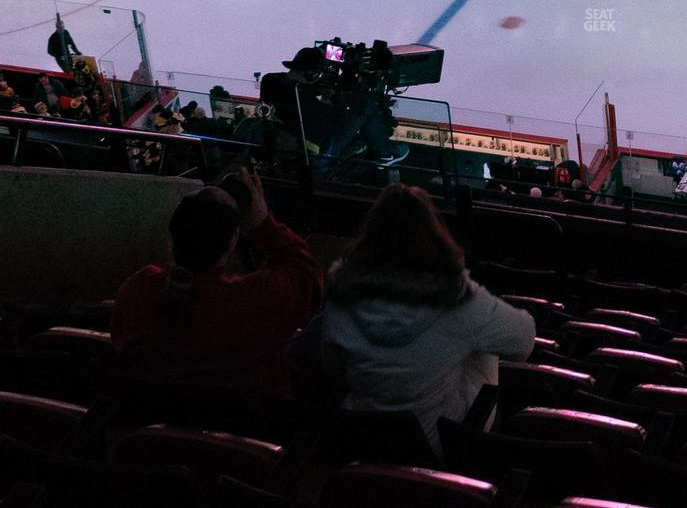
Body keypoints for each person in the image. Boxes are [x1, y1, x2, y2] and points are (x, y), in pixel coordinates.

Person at [319, 185, 536, 450]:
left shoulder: (341, 294)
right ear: (435, 236)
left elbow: (334, 369)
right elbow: (524, 342)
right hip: (440, 445)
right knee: (483, 345)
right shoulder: (458, 300)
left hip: (364, 439)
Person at [111, 167, 324, 396]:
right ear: (233, 241)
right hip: (241, 427)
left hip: (144, 422)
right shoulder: (253, 302)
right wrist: (263, 224)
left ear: (172, 237)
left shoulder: (139, 290)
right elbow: (306, 275)